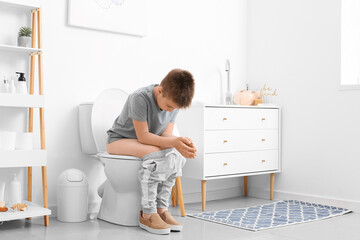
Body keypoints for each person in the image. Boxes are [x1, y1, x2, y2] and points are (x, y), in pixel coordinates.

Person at [106, 69, 196, 235]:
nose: (170, 111)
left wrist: (179, 143)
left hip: (145, 141)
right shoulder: (139, 98)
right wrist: (174, 142)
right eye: (168, 106)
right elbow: (143, 137)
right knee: (157, 158)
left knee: (176, 157)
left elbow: (166, 135)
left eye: (174, 108)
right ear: (160, 90)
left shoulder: (173, 102)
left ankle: (161, 210)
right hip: (118, 140)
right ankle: (148, 213)